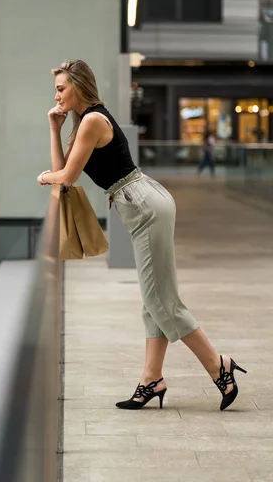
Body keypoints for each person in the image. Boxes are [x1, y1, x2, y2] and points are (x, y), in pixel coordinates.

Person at [37, 60, 246, 411]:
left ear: (78, 86)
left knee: (164, 301)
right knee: (154, 299)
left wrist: (45, 177)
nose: (56, 96)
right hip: (140, 204)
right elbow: (65, 170)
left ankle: (217, 365)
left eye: (61, 88)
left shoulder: (92, 120)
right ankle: (152, 379)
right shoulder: (84, 121)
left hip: (144, 205)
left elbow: (64, 177)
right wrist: (54, 129)